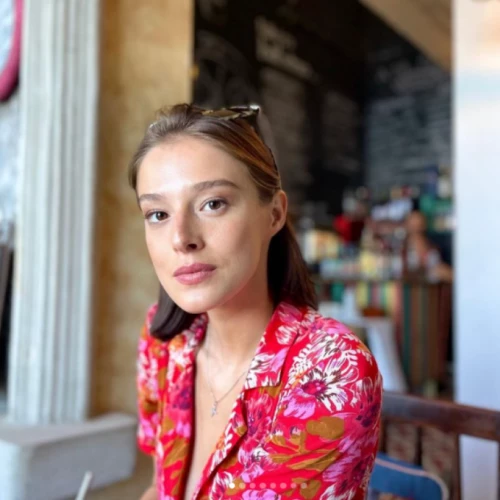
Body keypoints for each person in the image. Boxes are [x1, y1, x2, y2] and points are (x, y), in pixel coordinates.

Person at [131, 104, 382, 500]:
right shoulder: (164, 340)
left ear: (275, 214)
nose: (181, 238)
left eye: (213, 203)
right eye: (158, 214)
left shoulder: (330, 370)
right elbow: (156, 487)